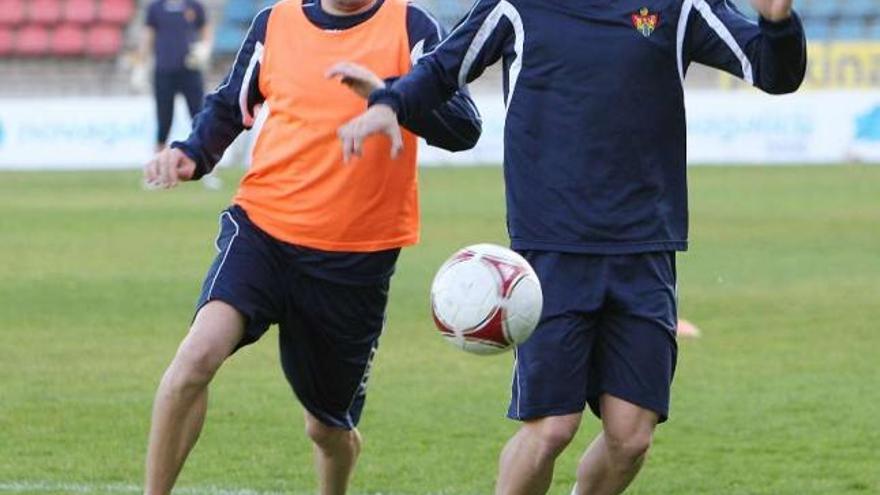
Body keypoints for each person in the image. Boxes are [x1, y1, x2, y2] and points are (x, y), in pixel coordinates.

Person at [336, 0, 806, 493]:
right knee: (551, 426)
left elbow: (773, 73)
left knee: (631, 438)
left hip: (643, 248)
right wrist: (390, 103)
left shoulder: (680, 5)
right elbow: (444, 66)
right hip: (550, 249)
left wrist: (776, 23)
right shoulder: (516, 5)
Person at [141, 0, 481, 494]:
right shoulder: (274, 23)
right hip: (263, 230)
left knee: (326, 428)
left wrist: (391, 97)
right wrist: (193, 152)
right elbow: (229, 104)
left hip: (355, 260)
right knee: (195, 360)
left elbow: (465, 127)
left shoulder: (412, 28)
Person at [138, 0, 212, 152]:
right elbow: (148, 36)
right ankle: (157, 167)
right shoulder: (155, 8)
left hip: (190, 69)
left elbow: (206, 30)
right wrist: (141, 64)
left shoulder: (194, 6)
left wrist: (205, 47)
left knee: (199, 116)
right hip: (164, 71)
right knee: (164, 120)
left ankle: (209, 167)